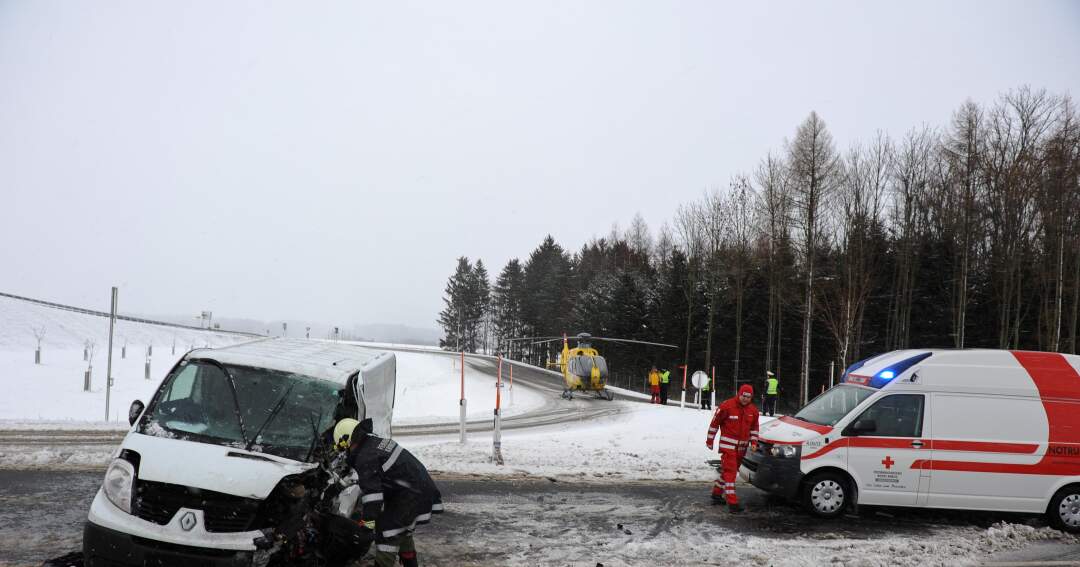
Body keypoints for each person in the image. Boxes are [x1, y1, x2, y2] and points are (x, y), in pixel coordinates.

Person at [335, 417, 443, 567]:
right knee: (401, 529)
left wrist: (367, 524)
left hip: (411, 494)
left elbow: (373, 496)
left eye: (343, 448)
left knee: (387, 531)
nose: (344, 453)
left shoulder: (365, 457)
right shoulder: (372, 444)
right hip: (416, 489)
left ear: (347, 441)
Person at [705, 384, 759, 513]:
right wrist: (709, 440)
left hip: (741, 448)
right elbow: (714, 424)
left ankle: (717, 493)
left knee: (728, 471)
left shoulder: (753, 411)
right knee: (731, 473)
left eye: (748, 396)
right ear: (739, 394)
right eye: (743, 395)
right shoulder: (727, 406)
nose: (745, 398)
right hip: (728, 447)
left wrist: (754, 442)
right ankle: (732, 503)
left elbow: (754, 428)